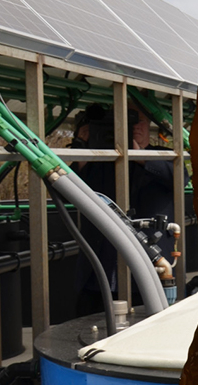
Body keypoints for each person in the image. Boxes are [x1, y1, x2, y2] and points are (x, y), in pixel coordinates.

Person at [69, 102, 178, 316]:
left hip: (147, 265)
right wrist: (82, 145)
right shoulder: (102, 159)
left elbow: (179, 178)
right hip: (99, 266)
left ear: (148, 126)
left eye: (136, 120)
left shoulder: (164, 156)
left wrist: (139, 154)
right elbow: (68, 188)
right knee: (88, 325)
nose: (131, 125)